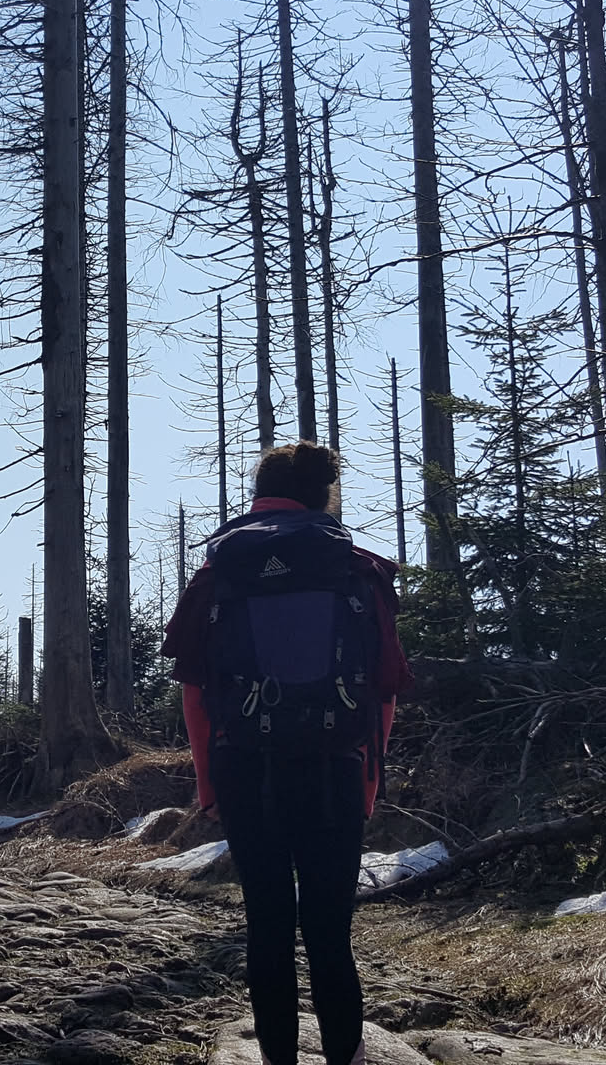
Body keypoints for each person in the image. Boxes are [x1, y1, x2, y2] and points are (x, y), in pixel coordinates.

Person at [162, 441, 411, 1065]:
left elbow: (196, 691)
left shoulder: (221, 570)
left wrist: (209, 784)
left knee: (267, 926)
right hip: (336, 766)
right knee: (330, 932)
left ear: (260, 494)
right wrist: (368, 778)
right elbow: (383, 688)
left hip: (244, 765)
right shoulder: (354, 568)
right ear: (324, 495)